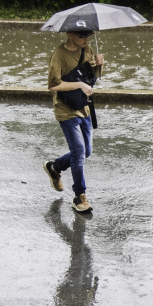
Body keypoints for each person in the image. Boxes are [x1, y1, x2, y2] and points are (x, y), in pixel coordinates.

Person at [43, 30, 105, 212]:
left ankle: (54, 167)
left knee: (86, 151)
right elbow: (53, 85)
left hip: (83, 107)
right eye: (81, 36)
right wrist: (79, 85)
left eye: (88, 35)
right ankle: (80, 196)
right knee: (78, 151)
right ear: (70, 35)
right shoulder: (59, 55)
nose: (86, 39)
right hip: (65, 109)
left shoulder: (87, 50)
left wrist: (99, 66)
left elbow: (92, 78)